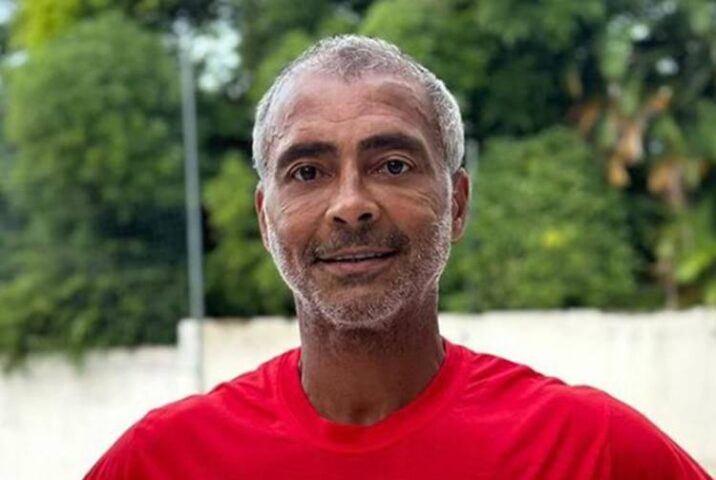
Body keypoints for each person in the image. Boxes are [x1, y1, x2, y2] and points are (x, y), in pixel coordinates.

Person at [85, 35, 711, 479]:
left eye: (392, 165)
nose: (350, 205)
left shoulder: (590, 452)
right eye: (307, 172)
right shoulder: (162, 461)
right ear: (265, 218)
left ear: (457, 204)